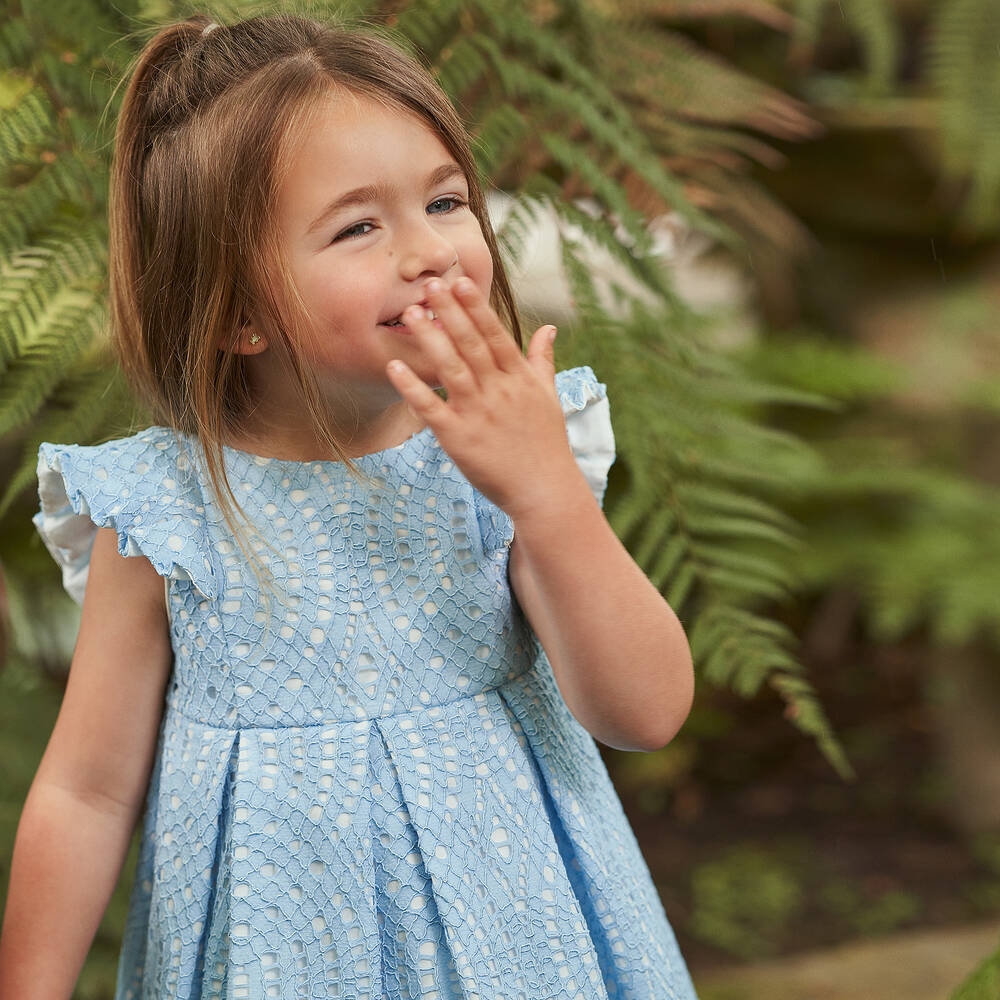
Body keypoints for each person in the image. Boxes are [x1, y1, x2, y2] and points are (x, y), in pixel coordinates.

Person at [0, 12, 698, 999]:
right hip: (281, 959)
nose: (430, 252)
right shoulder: (166, 509)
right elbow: (86, 790)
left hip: (515, 947)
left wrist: (548, 500)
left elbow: (646, 710)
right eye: (358, 225)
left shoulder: (510, 461)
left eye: (446, 201)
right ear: (238, 311)